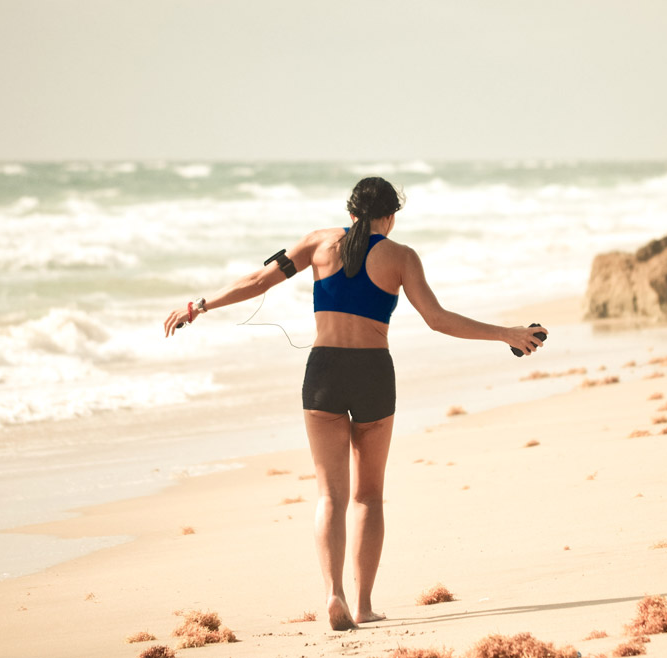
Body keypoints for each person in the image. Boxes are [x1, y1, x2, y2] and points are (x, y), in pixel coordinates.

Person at [164, 177, 547, 630]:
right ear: (390, 216)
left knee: (330, 495)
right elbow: (438, 320)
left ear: (350, 213)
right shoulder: (401, 257)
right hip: (372, 374)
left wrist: (199, 306)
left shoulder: (317, 244)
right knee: (368, 497)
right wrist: (508, 333)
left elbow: (256, 281)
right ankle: (363, 605)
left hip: (323, 372)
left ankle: (333, 594)